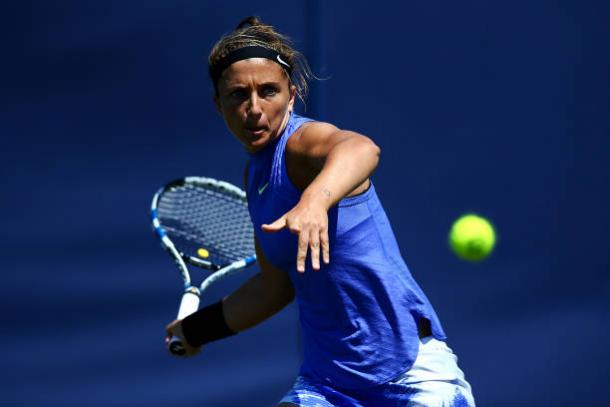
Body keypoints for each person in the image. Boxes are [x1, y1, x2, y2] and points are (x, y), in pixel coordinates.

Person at [166, 16, 475, 407]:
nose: (255, 109)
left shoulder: (301, 143)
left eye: (268, 91)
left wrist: (314, 200)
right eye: (238, 95)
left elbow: (362, 148)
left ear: (291, 95)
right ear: (218, 104)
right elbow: (271, 288)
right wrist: (196, 330)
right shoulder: (255, 174)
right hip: (327, 386)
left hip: (409, 373)